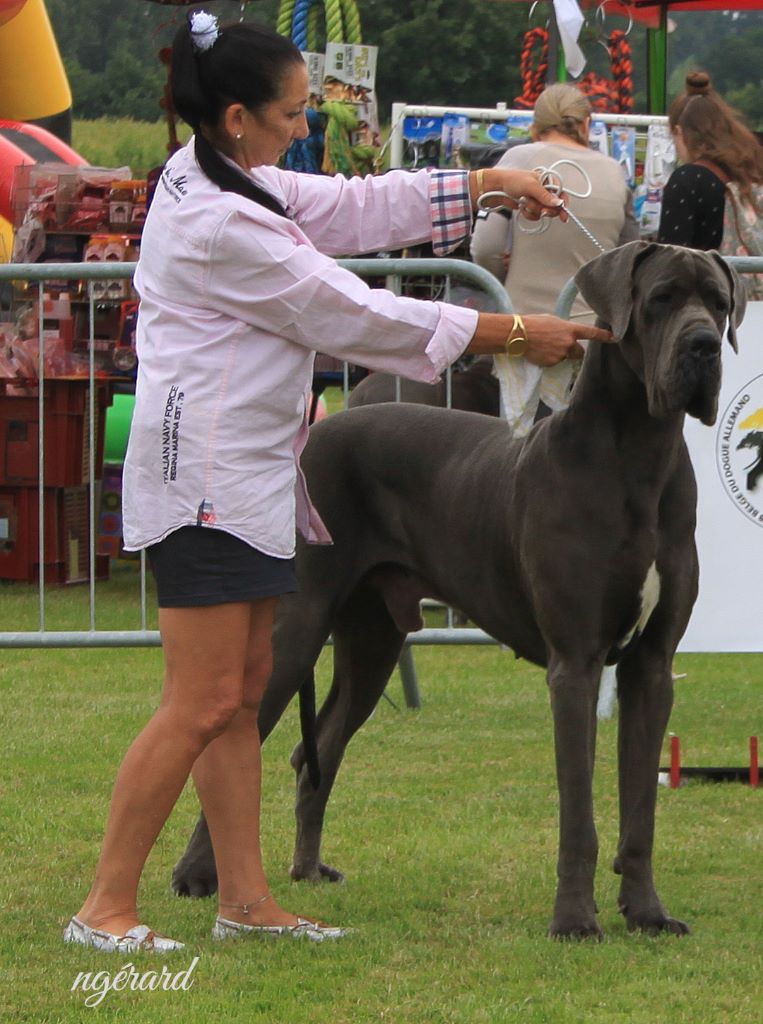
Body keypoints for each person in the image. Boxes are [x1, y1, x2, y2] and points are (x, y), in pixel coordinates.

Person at [63, 12, 611, 953]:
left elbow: (353, 206)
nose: (301, 128)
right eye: (290, 114)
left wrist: (484, 182)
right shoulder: (218, 220)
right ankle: (105, 908)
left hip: (245, 470)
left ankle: (246, 900)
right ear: (237, 115)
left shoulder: (231, 175)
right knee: (198, 703)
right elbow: (348, 310)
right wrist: (516, 333)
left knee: (241, 697)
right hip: (197, 471)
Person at [470, 84, 638, 434]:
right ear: (588, 124)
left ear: (535, 127)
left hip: (523, 334)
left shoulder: (519, 160)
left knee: (517, 450)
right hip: (592, 343)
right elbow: (629, 257)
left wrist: (501, 279)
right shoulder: (615, 174)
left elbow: (484, 246)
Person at [658, 70, 763, 254]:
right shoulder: (754, 168)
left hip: (712, 281)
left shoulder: (688, 179)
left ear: (679, 131)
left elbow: (670, 261)